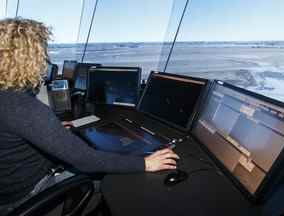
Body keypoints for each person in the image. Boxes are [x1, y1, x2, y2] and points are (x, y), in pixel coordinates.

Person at [0, 18, 179, 215]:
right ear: (29, 60)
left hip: (7, 184)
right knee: (102, 180)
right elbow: (86, 160)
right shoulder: (24, 108)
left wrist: (51, 131)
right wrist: (146, 163)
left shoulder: (10, 101)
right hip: (22, 195)